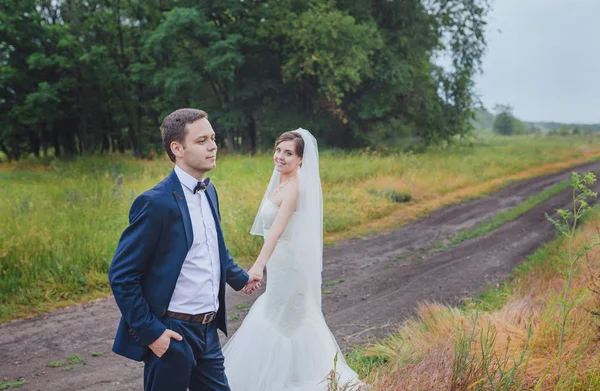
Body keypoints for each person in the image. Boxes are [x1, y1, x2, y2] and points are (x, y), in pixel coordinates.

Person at [108, 108, 261, 391]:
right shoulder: (155, 203)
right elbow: (122, 274)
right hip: (172, 333)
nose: (213, 146)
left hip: (208, 330)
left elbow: (213, 247)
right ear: (177, 148)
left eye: (213, 138)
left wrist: (240, 278)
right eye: (202, 140)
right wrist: (152, 333)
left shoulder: (209, 190)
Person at [223, 129, 363, 390]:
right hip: (280, 264)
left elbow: (275, 231)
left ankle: (291, 380)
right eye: (278, 150)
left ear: (300, 159)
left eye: (288, 153)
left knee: (286, 320)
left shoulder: (296, 188)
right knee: (279, 317)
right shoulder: (281, 182)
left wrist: (257, 266)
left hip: (289, 267)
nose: (280, 157)